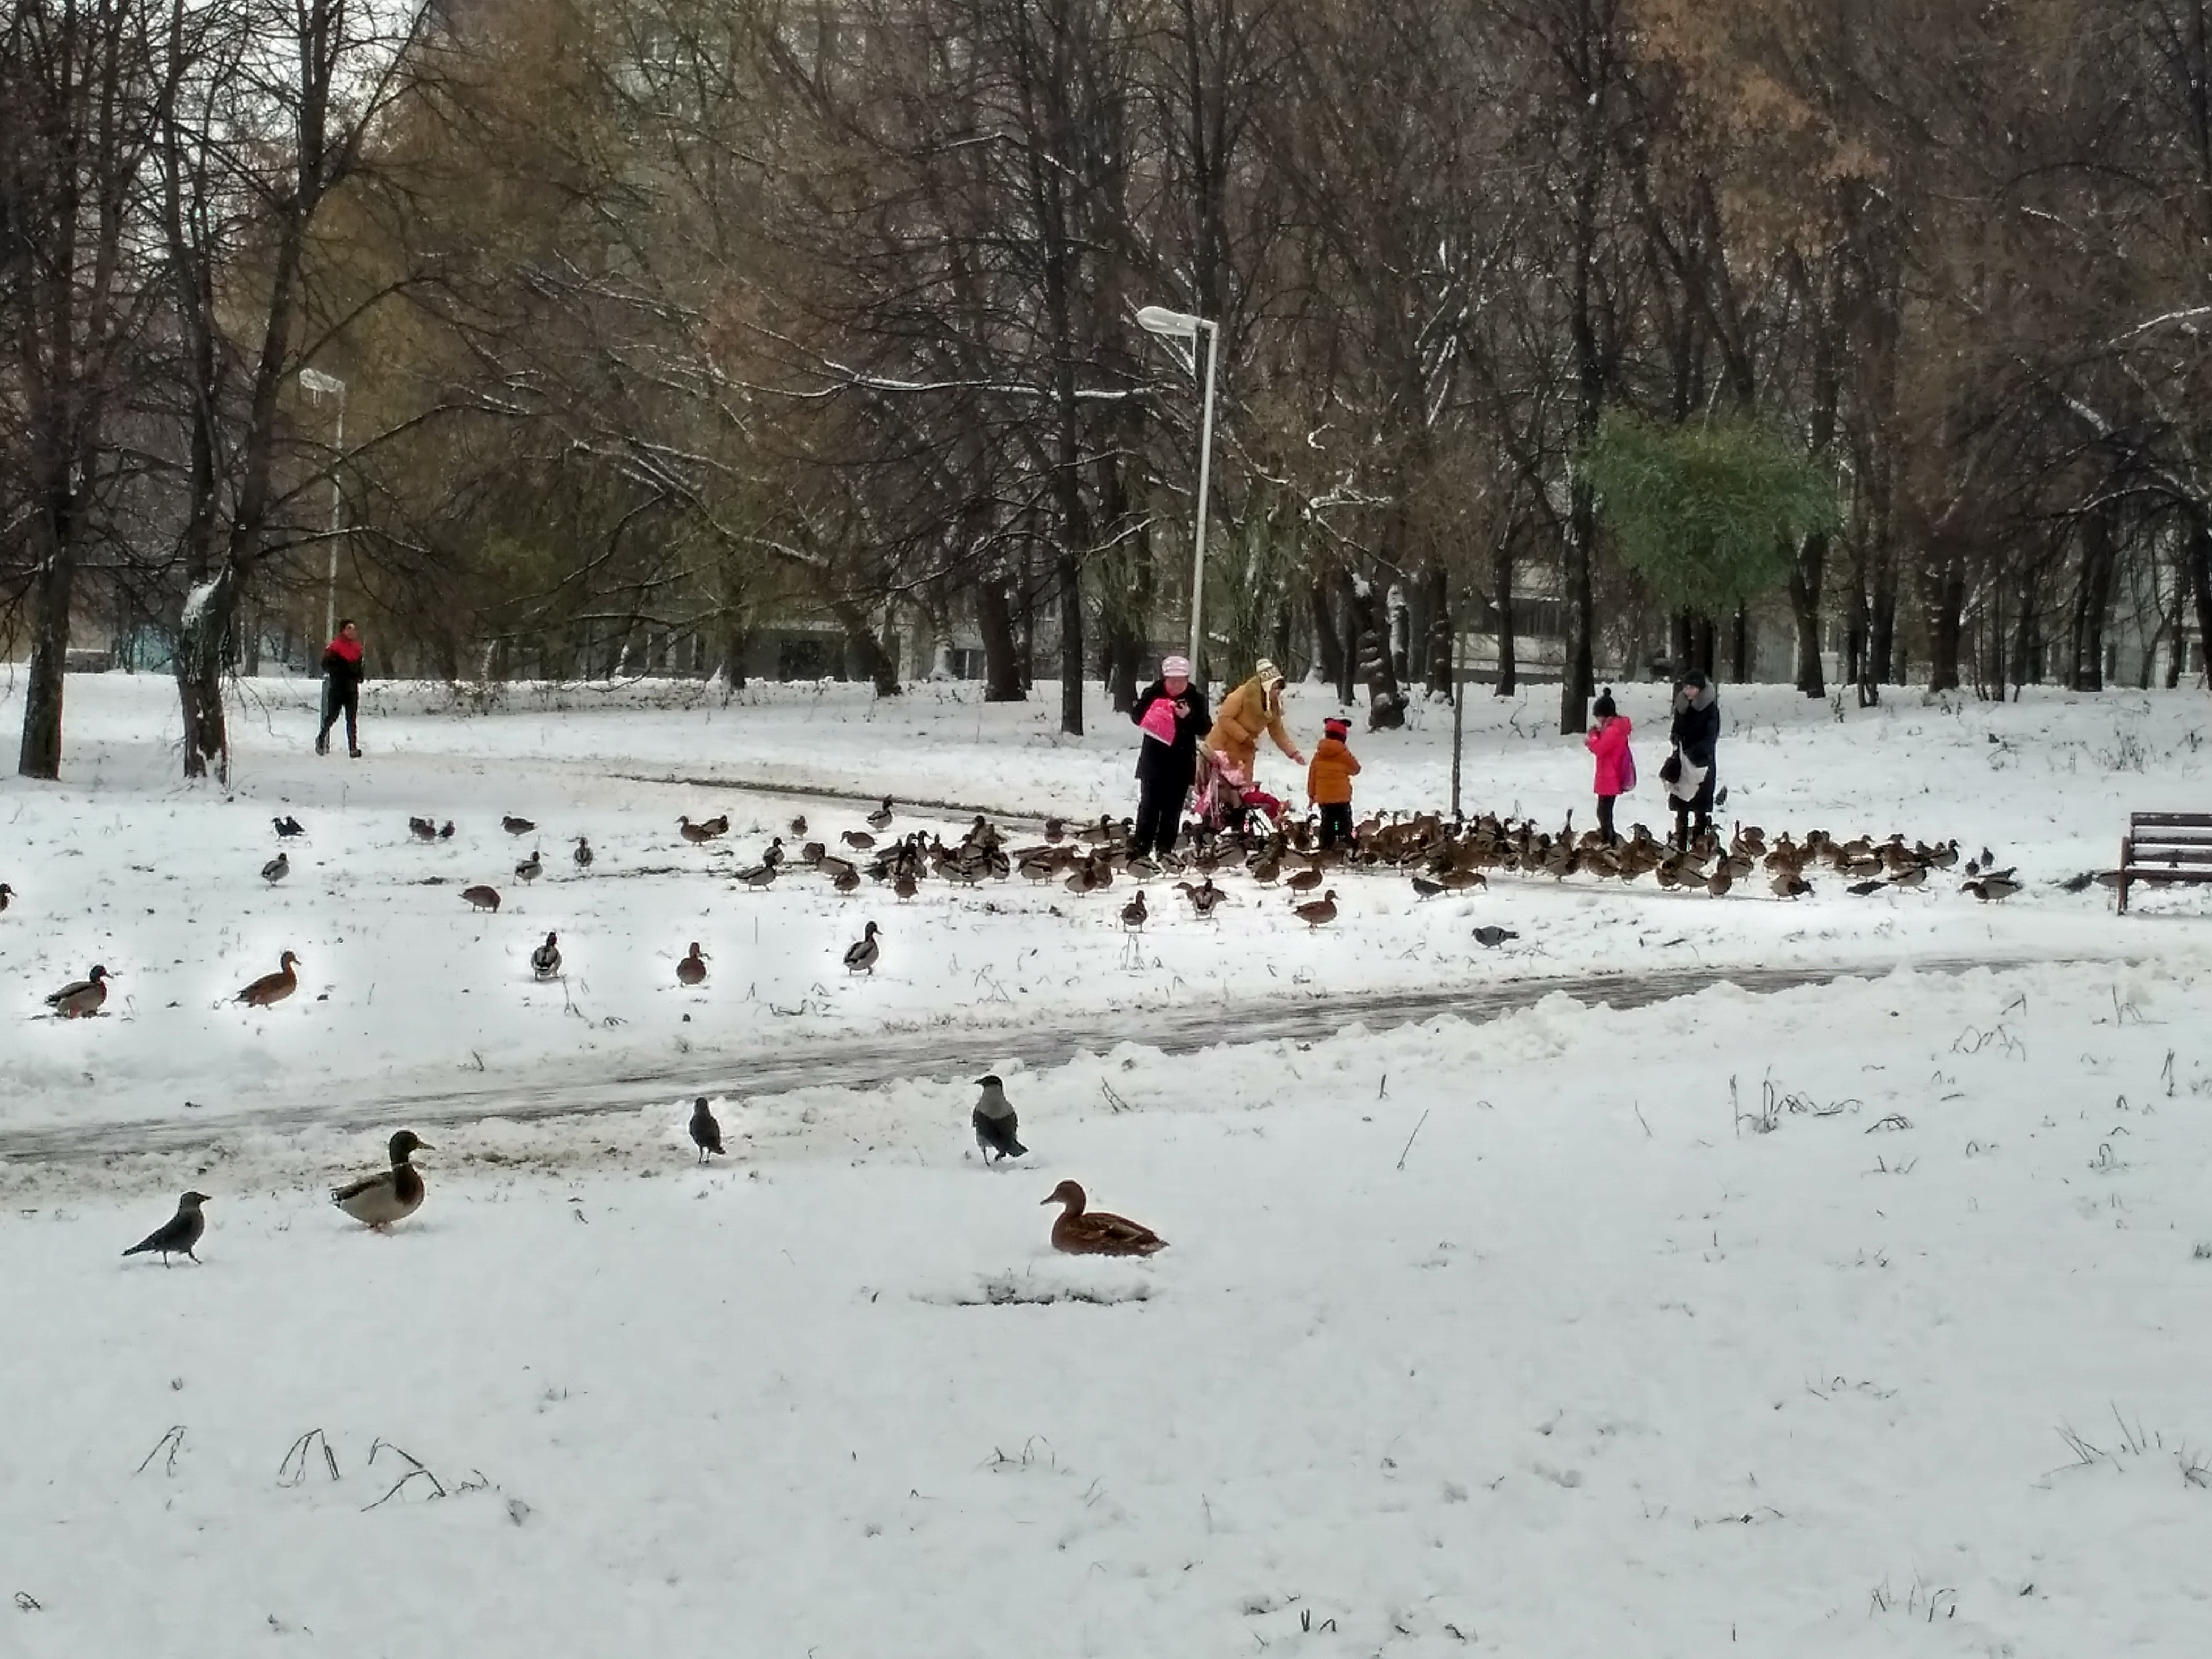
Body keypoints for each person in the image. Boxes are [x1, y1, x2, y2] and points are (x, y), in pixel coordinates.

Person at [1129, 654, 1210, 860]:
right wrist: (1152, 711)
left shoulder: (1195, 698)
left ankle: (1165, 849)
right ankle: (1141, 845)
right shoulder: (1153, 693)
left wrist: (1188, 717)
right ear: (1164, 679)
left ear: (1187, 679)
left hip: (1180, 761)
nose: (1175, 685)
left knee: (1172, 809)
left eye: (1180, 680)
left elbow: (1205, 728)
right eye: (1171, 680)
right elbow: (1137, 717)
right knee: (1149, 805)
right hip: (1153, 760)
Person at [1203, 658, 1304, 786]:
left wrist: (1293, 753)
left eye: (1280, 689)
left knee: (1243, 789)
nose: (1278, 693)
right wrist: (1244, 737)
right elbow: (1224, 719)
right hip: (1222, 747)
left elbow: (1277, 731)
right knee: (1219, 789)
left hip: (1246, 751)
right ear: (1266, 686)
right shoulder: (1241, 695)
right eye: (1275, 688)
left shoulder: (1273, 705)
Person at [1665, 671, 1719, 847]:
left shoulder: (1709, 708)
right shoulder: (1682, 705)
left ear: (1700, 689)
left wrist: (1696, 751)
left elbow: (1711, 736)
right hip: (1682, 761)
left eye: (1692, 688)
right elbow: (1677, 727)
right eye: (1686, 687)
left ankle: (1699, 843)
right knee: (1681, 804)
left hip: (1701, 762)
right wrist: (1675, 736)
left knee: (1700, 806)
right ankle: (1680, 839)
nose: (1688, 691)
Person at [1583, 687, 1635, 845]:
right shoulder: (1611, 729)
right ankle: (1607, 839)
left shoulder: (1614, 731)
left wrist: (1592, 738)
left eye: (1599, 717)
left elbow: (1599, 748)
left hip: (1610, 776)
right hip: (1608, 775)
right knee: (1604, 811)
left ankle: (1609, 841)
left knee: (1604, 812)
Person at [1306, 716, 1361, 849]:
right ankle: (1345, 842)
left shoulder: (1318, 755)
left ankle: (1326, 845)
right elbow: (1356, 769)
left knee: (1328, 822)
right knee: (1344, 822)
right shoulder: (1344, 754)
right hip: (1341, 798)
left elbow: (1312, 777)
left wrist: (1311, 796)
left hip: (1324, 798)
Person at [316, 618, 365, 758]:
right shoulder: (335, 648)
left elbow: (359, 666)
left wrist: (360, 676)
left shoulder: (357, 649)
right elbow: (325, 665)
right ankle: (321, 738)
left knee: (352, 719)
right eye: (349, 628)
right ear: (343, 630)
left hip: (352, 688)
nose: (352, 632)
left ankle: (353, 748)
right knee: (332, 716)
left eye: (354, 629)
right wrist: (339, 672)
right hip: (338, 687)